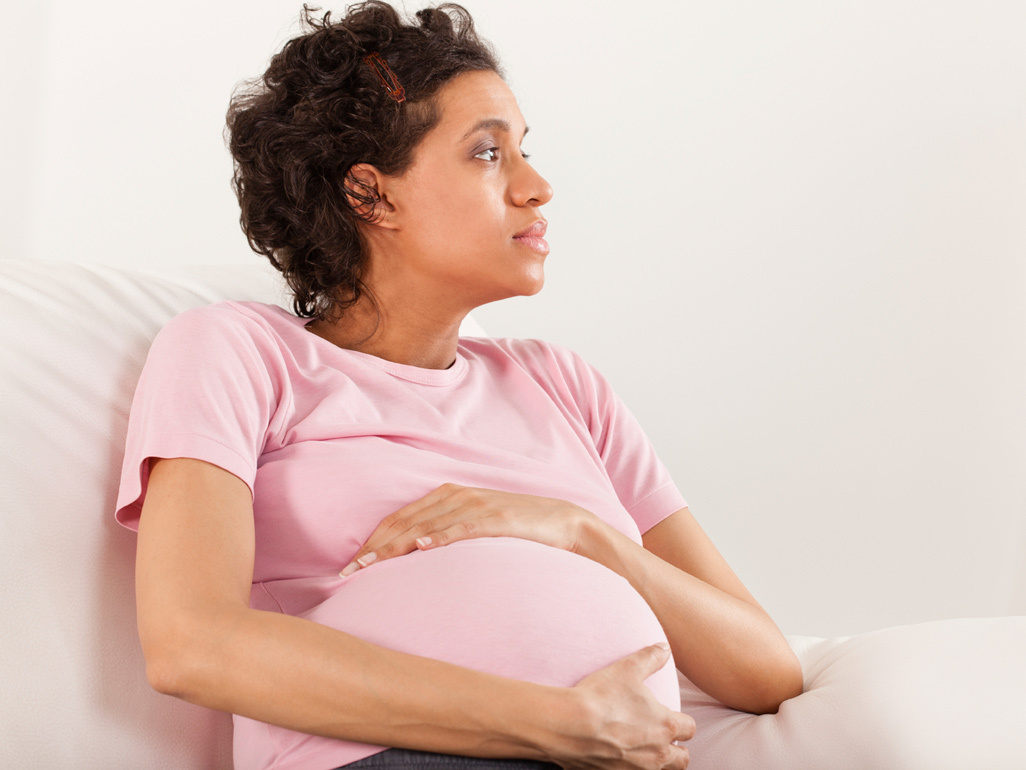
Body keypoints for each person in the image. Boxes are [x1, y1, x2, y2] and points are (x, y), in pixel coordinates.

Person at [115, 3, 803, 769]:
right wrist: (550, 721)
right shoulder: (239, 353)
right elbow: (191, 645)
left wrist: (580, 533)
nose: (537, 187)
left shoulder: (563, 385)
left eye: (524, 152)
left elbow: (765, 670)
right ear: (370, 195)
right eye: (487, 154)